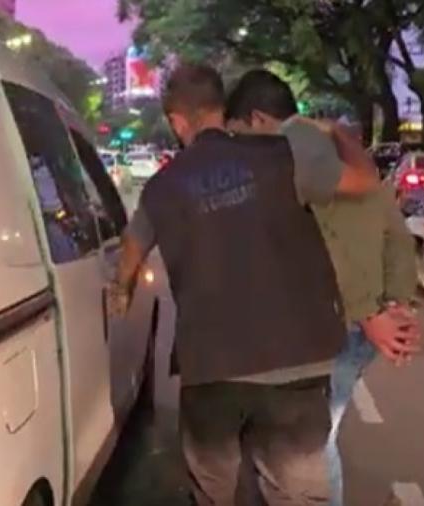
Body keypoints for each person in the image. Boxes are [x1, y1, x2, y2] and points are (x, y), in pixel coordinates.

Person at [112, 63, 379, 506]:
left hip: (211, 368)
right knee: (296, 494)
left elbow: (131, 247)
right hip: (296, 361)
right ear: (220, 107)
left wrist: (121, 290)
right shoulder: (283, 157)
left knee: (213, 491)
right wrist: (337, 131)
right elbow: (365, 181)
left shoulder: (161, 188)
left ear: (177, 121)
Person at [225, 69, 421, 506]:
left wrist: (370, 315)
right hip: (357, 323)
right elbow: (396, 232)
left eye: (238, 132)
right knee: (310, 437)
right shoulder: (334, 146)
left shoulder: (287, 155)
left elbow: (328, 240)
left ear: (258, 118)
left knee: (309, 447)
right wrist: (396, 304)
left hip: (335, 322)